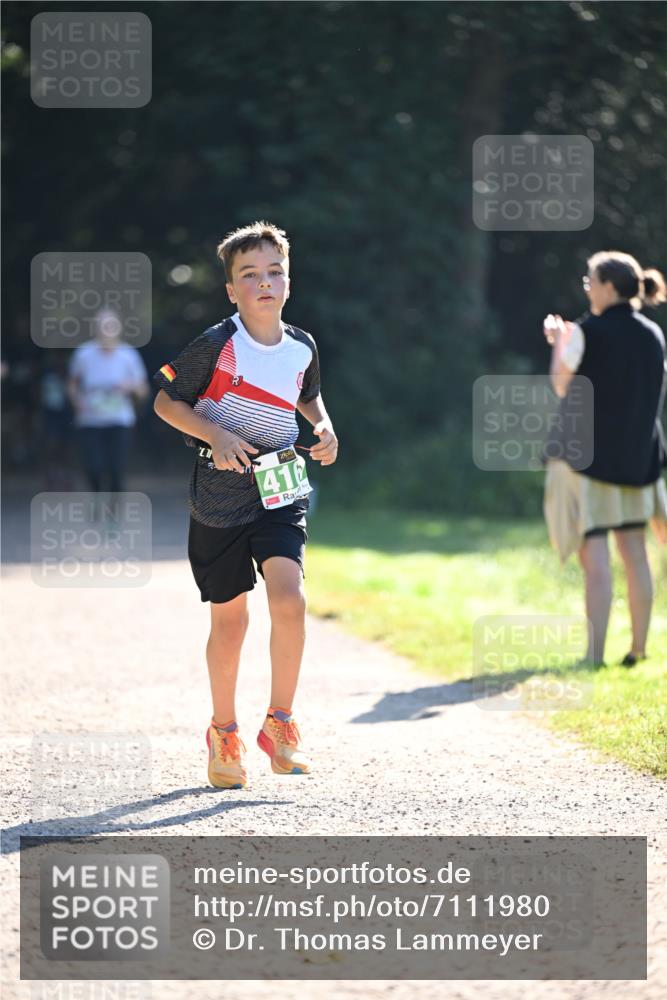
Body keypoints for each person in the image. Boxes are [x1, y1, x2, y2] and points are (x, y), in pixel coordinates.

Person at [152, 221, 338, 789]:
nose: (264, 283)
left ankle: (280, 723)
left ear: (288, 280)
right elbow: (165, 401)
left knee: (291, 597)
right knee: (230, 621)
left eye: (274, 272)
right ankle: (223, 732)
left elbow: (306, 396)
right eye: (249, 275)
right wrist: (215, 434)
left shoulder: (301, 344)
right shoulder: (215, 343)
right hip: (219, 494)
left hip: (280, 485)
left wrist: (325, 426)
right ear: (231, 290)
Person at [543, 251, 667, 667]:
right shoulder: (654, 334)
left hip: (589, 463)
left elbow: (562, 385)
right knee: (635, 553)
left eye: (589, 281)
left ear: (608, 287)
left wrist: (559, 344)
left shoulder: (584, 331)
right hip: (638, 461)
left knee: (595, 558)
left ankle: (593, 656)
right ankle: (638, 649)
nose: (586, 287)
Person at [67, 308, 149, 513]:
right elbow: (72, 384)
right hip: (90, 421)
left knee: (116, 469)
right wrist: (77, 401)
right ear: (95, 328)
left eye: (110, 325)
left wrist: (130, 386)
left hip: (120, 421)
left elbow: (143, 389)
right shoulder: (83, 354)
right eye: (102, 325)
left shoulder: (129, 355)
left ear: (118, 328)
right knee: (93, 468)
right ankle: (96, 500)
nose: (106, 330)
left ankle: (113, 511)